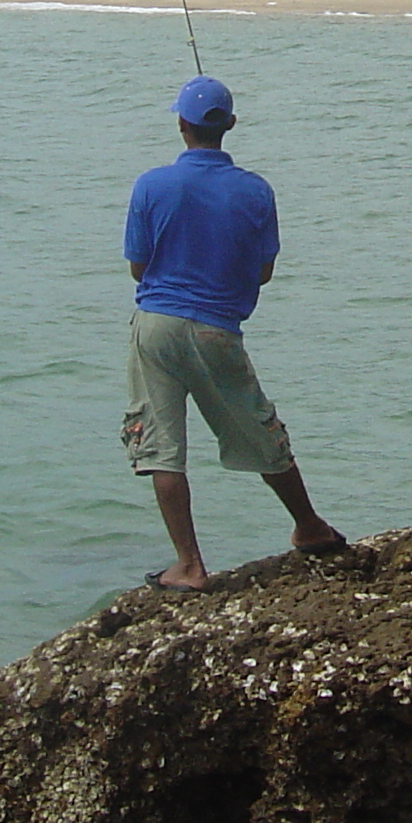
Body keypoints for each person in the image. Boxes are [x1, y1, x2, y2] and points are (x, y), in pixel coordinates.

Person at [122, 74, 342, 592]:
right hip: (217, 330)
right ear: (230, 126)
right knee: (258, 427)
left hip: (155, 326)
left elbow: (137, 266)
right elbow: (263, 271)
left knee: (160, 446)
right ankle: (308, 525)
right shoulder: (255, 190)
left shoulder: (151, 185)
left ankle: (190, 564)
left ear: (182, 125)